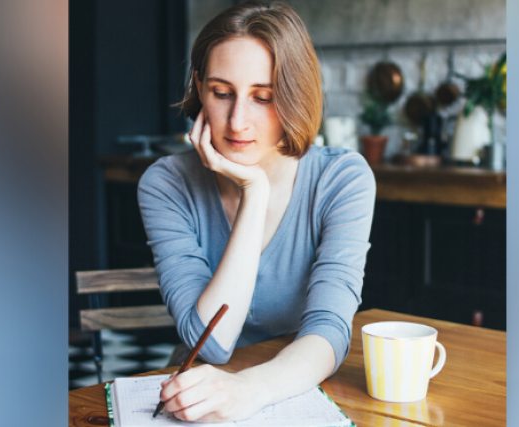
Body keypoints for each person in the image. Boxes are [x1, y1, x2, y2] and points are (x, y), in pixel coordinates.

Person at [136, 1, 376, 422]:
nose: (237, 121)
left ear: (293, 95)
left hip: (295, 388)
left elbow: (328, 330)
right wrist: (255, 192)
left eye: (262, 97)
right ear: (199, 86)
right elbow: (212, 344)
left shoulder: (342, 179)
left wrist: (249, 390)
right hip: (198, 395)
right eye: (221, 93)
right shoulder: (166, 184)